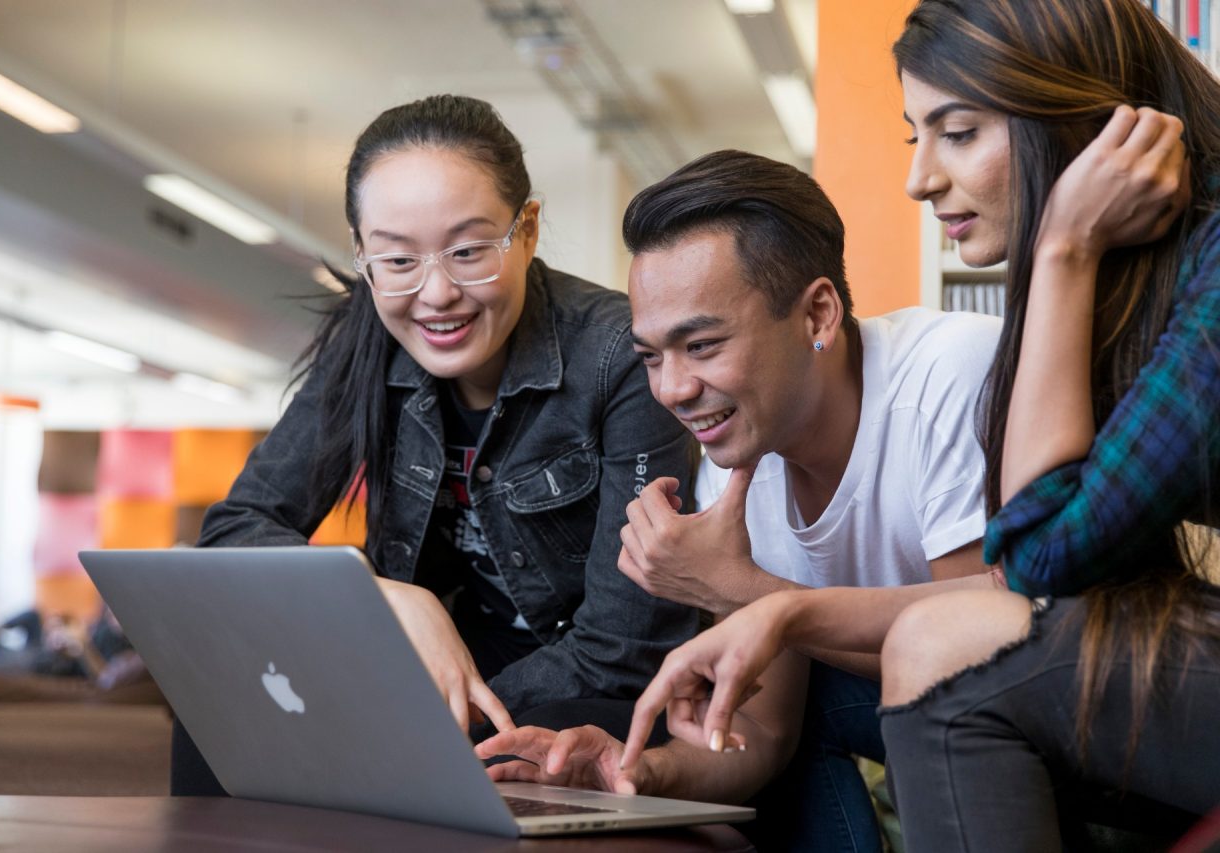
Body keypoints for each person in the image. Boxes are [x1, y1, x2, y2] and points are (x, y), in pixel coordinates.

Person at [606, 1, 1217, 850]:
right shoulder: (1141, 290)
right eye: (915, 137)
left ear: (1083, 126)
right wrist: (623, 770)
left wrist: (1064, 246)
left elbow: (1034, 566)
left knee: (941, 642)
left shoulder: (1155, 284)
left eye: (958, 132)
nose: (921, 177)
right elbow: (766, 731)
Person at [478, 148, 1002, 851]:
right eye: (652, 355)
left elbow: (989, 652)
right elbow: (762, 734)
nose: (671, 389)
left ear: (817, 313)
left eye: (700, 344)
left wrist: (751, 592)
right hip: (905, 720)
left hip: (1046, 721)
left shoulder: (947, 374)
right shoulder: (732, 472)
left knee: (821, 678)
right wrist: (632, 769)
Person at [174, 94, 698, 794]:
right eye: (397, 259)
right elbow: (235, 530)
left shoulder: (619, 356)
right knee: (212, 722)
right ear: (362, 255)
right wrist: (375, 595)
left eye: (469, 251)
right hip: (426, 662)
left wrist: (424, 707)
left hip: (577, 684)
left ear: (528, 229)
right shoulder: (364, 343)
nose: (437, 293)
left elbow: (622, 647)